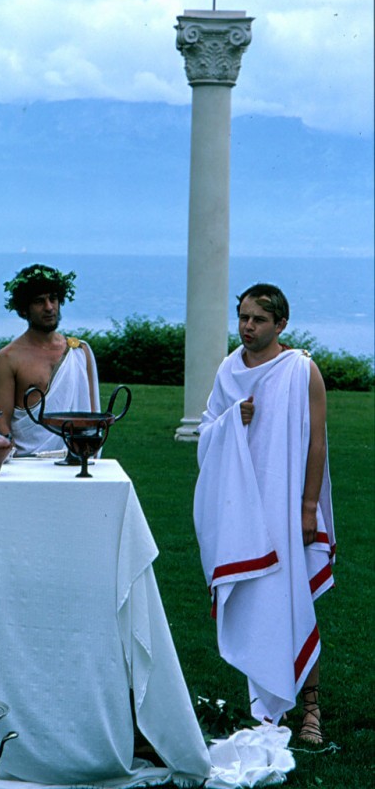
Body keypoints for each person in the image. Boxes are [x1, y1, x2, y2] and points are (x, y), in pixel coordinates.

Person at [193, 283, 335, 743]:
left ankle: (310, 709)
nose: (248, 327)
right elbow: (207, 430)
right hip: (241, 506)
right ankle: (271, 706)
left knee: (294, 601)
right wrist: (232, 419)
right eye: (243, 317)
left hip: (286, 502)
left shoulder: (302, 370)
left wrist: (309, 507)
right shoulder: (228, 369)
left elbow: (317, 444)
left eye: (258, 319)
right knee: (257, 602)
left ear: (281, 324)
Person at [0, 264, 100, 455]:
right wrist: (12, 455)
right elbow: (0, 421)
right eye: (39, 301)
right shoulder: (8, 357)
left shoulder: (79, 351)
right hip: (27, 460)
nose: (49, 307)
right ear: (24, 309)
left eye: (53, 299)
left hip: (76, 457)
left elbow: (92, 415)